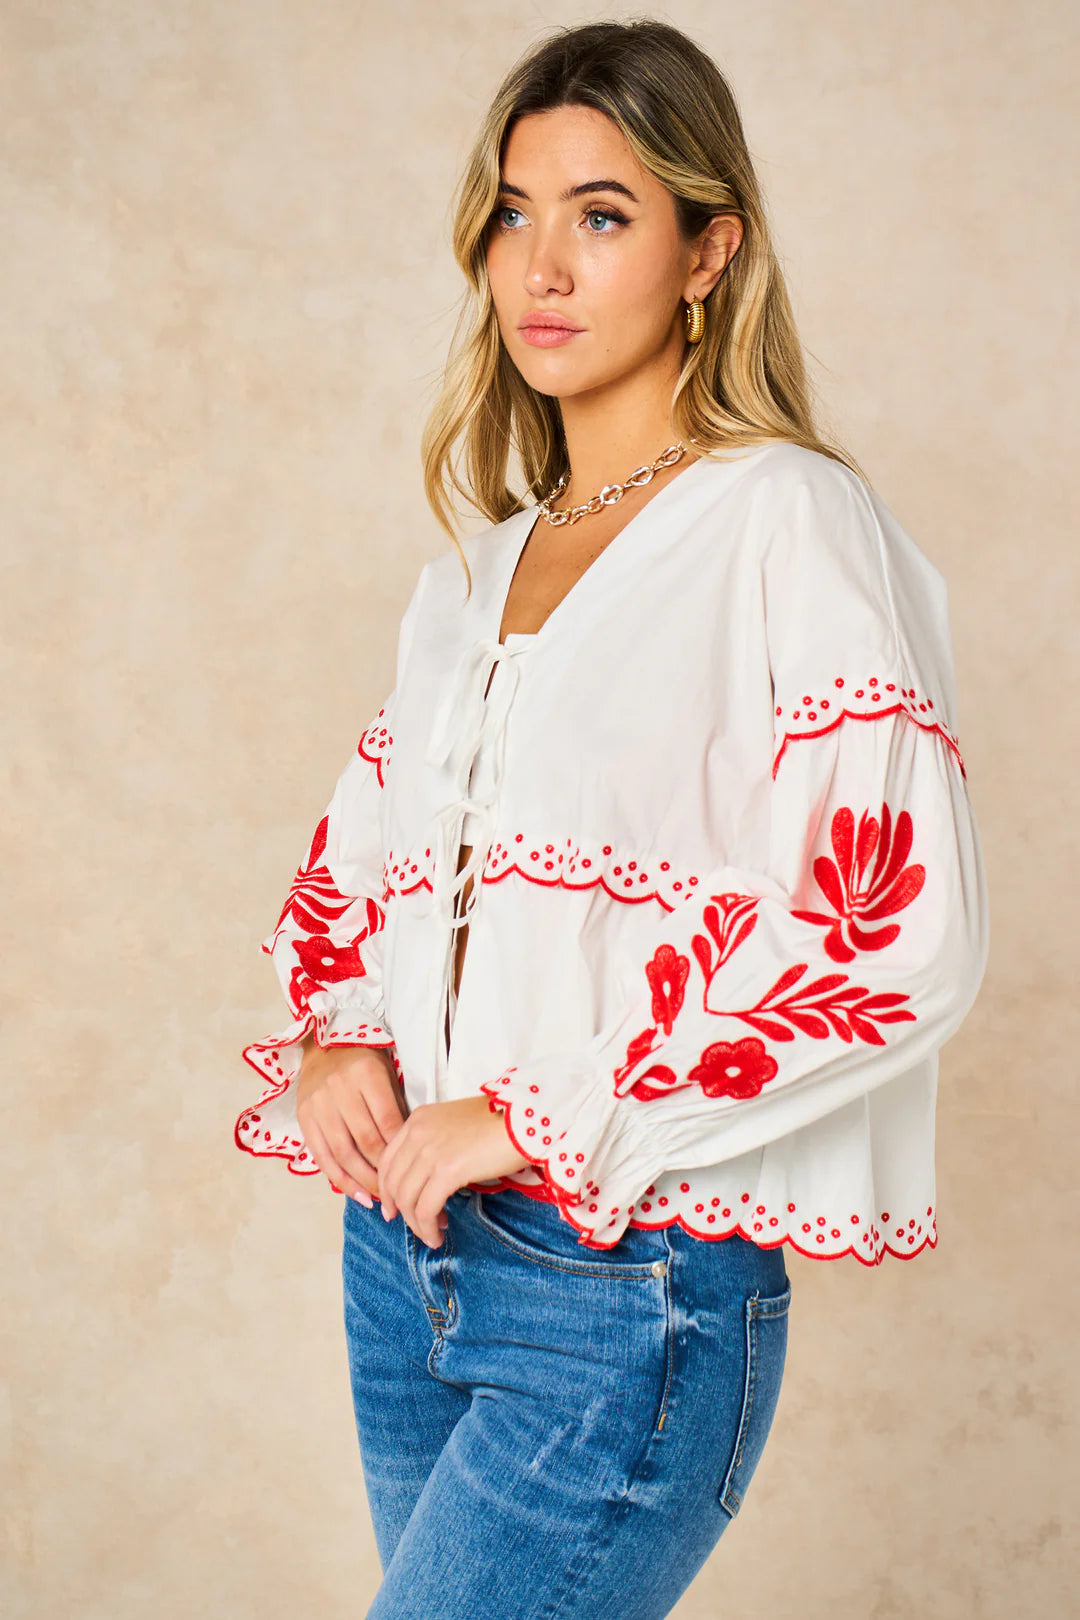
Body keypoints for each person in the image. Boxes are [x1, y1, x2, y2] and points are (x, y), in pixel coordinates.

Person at [235, 19, 989, 1618]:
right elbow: (373, 863)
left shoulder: (786, 520)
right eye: (515, 213)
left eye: (602, 213)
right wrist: (338, 1040)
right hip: (402, 1266)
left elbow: (892, 930)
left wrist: (535, 1119)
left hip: (622, 1291)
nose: (543, 267)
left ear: (710, 250)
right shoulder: (474, 571)